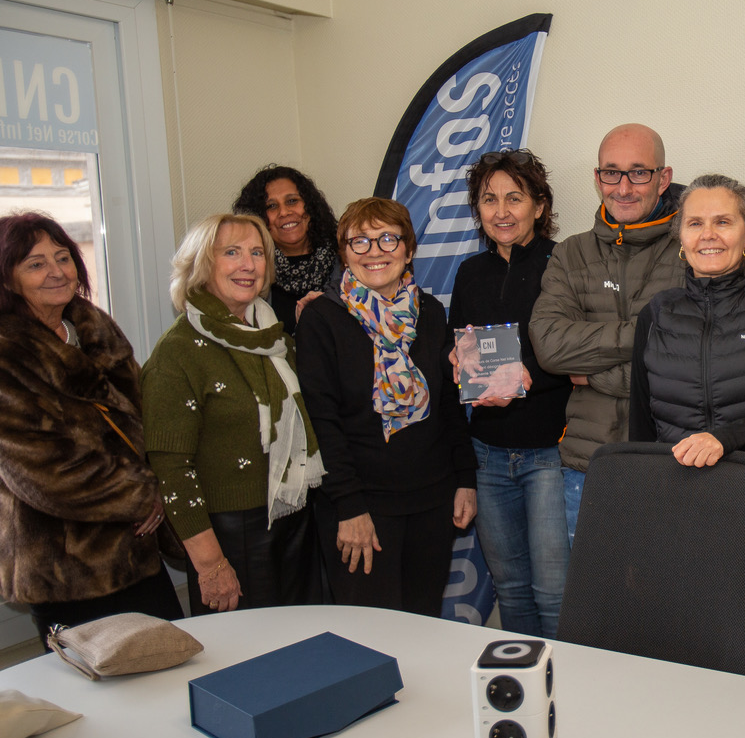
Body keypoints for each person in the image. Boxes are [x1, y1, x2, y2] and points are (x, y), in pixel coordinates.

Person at [630, 174, 745, 684]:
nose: (708, 234)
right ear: (680, 236)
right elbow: (641, 433)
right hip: (682, 519)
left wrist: (728, 438)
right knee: (691, 668)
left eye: (723, 221)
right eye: (695, 223)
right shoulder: (656, 315)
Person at [0, 213, 182, 644]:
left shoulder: (92, 326)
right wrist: (143, 494)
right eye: (35, 263)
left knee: (172, 663)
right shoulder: (8, 354)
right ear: (7, 279)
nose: (57, 271)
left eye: (63, 257)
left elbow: (143, 415)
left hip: (137, 548)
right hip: (65, 564)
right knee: (99, 693)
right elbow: (43, 470)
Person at [296, 197, 477, 617]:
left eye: (387, 239)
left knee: (424, 626)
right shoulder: (322, 319)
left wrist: (465, 478)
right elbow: (322, 422)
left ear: (409, 250)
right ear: (344, 254)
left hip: (433, 502)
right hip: (363, 509)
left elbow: (448, 403)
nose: (374, 251)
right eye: (359, 241)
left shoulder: (430, 312)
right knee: (373, 637)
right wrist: (350, 507)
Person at [142, 213, 326, 615]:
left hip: (294, 517)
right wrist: (210, 565)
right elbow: (172, 470)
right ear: (202, 265)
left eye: (257, 252)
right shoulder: (177, 353)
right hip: (231, 535)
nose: (248, 264)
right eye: (232, 252)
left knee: (306, 648)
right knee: (247, 663)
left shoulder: (276, 338)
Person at [529, 123, 684, 542]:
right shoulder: (570, 253)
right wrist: (645, 333)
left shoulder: (693, 249)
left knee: (667, 604)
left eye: (639, 172)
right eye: (611, 172)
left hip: (673, 464)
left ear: (663, 178)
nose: (624, 187)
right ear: (597, 180)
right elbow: (549, 346)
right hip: (587, 468)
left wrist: (592, 373)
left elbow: (688, 364)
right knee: (594, 603)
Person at [450, 149, 572, 637]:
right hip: (487, 456)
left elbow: (579, 355)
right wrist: (453, 360)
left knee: (556, 593)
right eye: (488, 199)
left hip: (549, 453)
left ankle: (570, 693)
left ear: (539, 206)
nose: (501, 210)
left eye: (514, 198)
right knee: (513, 590)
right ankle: (526, 690)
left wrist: (527, 378)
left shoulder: (564, 263)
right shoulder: (468, 272)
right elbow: (452, 345)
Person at [232, 165, 340, 334]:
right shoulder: (250, 270)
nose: (284, 212)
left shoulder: (346, 257)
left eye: (292, 201)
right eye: (271, 206)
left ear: (310, 206)